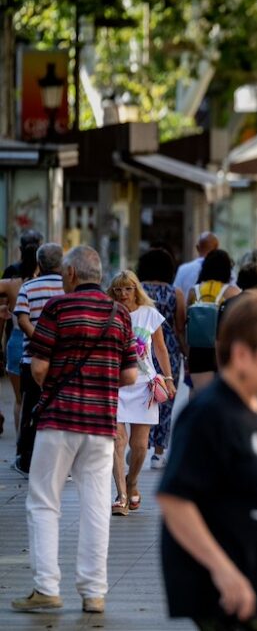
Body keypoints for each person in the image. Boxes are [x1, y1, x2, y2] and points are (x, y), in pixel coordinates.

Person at [158, 290, 257, 628]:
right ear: (241, 354)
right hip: (221, 588)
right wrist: (223, 571)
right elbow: (175, 500)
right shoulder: (209, 414)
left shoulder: (250, 408)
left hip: (250, 581)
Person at [12, 246, 137, 614]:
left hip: (59, 420)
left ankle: (46, 587)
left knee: (44, 501)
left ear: (70, 274)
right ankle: (94, 592)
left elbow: (38, 368)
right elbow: (129, 374)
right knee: (97, 505)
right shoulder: (119, 315)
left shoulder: (57, 309)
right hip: (101, 424)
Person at [106, 270, 172, 515]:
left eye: (128, 289)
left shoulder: (149, 314)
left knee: (140, 445)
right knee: (117, 441)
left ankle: (132, 480)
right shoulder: (108, 313)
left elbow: (161, 349)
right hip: (114, 384)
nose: (123, 294)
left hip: (144, 385)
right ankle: (121, 495)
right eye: (118, 289)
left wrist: (168, 378)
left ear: (136, 290)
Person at [14, 243, 65, 474]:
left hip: (31, 358)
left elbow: (23, 321)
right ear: (61, 262)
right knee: (62, 408)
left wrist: (42, 340)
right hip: (64, 360)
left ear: (39, 262)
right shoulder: (69, 287)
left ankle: (26, 460)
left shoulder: (28, 287)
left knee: (31, 409)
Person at [138, 249, 187, 470]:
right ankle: (159, 452)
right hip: (169, 350)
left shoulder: (137, 291)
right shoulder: (175, 293)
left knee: (142, 398)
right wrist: (186, 351)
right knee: (165, 400)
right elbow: (179, 327)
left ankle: (139, 442)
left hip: (142, 348)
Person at [3, 230, 42, 441]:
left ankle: (20, 446)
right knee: (40, 397)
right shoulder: (44, 284)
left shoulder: (12, 283)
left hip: (16, 340)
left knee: (20, 400)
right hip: (42, 345)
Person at [186, 250, 241, 394]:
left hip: (198, 350)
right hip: (223, 348)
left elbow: (186, 321)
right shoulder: (233, 292)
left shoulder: (194, 291)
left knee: (199, 396)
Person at [173, 232, 218, 303]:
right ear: (217, 249)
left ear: (197, 248)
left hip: (189, 313)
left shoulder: (183, 269)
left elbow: (175, 296)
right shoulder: (225, 271)